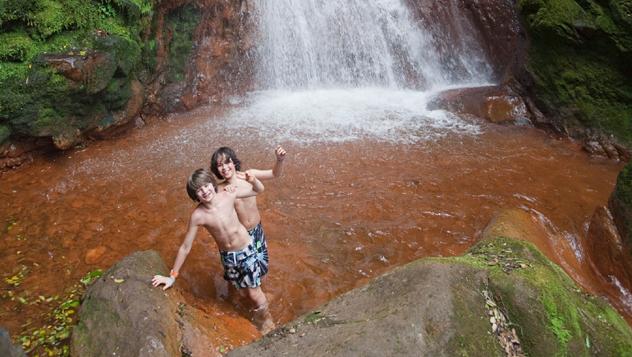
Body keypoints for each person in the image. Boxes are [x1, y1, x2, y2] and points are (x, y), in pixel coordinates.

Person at [152, 168, 275, 333]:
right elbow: (185, 247)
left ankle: (267, 321)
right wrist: (172, 277)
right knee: (242, 291)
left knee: (253, 293)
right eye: (199, 190)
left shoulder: (228, 195)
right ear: (195, 196)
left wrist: (252, 180)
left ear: (212, 183)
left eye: (206, 186)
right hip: (228, 257)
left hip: (246, 249)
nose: (205, 191)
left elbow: (258, 190)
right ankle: (261, 303)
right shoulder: (198, 215)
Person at [210, 146, 286, 263]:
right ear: (216, 170)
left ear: (234, 162)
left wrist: (279, 160)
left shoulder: (249, 175)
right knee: (242, 271)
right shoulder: (219, 190)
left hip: (257, 230)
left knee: (261, 264)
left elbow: (274, 174)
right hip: (240, 237)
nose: (224, 168)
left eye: (227, 162)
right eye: (220, 165)